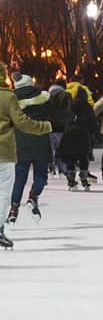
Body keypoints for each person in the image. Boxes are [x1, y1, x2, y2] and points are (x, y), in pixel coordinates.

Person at [0, 64, 52, 249]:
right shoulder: (10, 97)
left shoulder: (13, 97)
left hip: (19, 146)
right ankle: (32, 197)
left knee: (18, 180)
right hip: (19, 147)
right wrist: (45, 126)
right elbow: (23, 122)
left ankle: (13, 209)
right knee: (7, 190)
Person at [58, 86, 96, 191]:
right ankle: (84, 179)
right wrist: (96, 133)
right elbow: (92, 121)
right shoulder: (87, 106)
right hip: (83, 134)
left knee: (71, 158)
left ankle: (71, 182)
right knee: (83, 157)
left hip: (70, 134)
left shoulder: (70, 105)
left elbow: (65, 119)